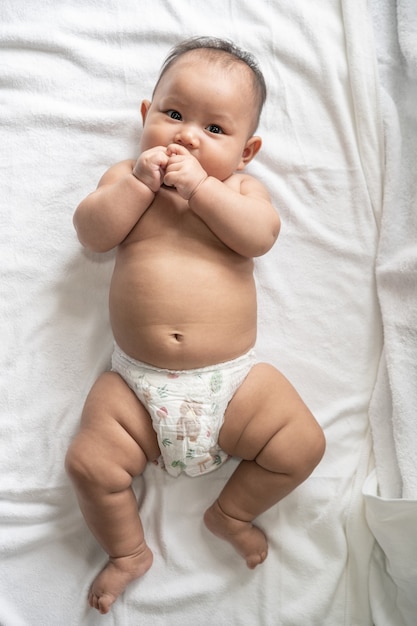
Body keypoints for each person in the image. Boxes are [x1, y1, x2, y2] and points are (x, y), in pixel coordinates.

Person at [65, 36, 325, 615]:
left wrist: (203, 189)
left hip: (231, 386)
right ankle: (128, 552)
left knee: (303, 445)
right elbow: (92, 233)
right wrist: (137, 184)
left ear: (246, 151)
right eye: (174, 115)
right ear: (145, 116)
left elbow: (260, 236)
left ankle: (231, 513)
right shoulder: (126, 180)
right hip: (134, 385)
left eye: (214, 129)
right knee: (89, 463)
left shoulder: (238, 190)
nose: (185, 136)